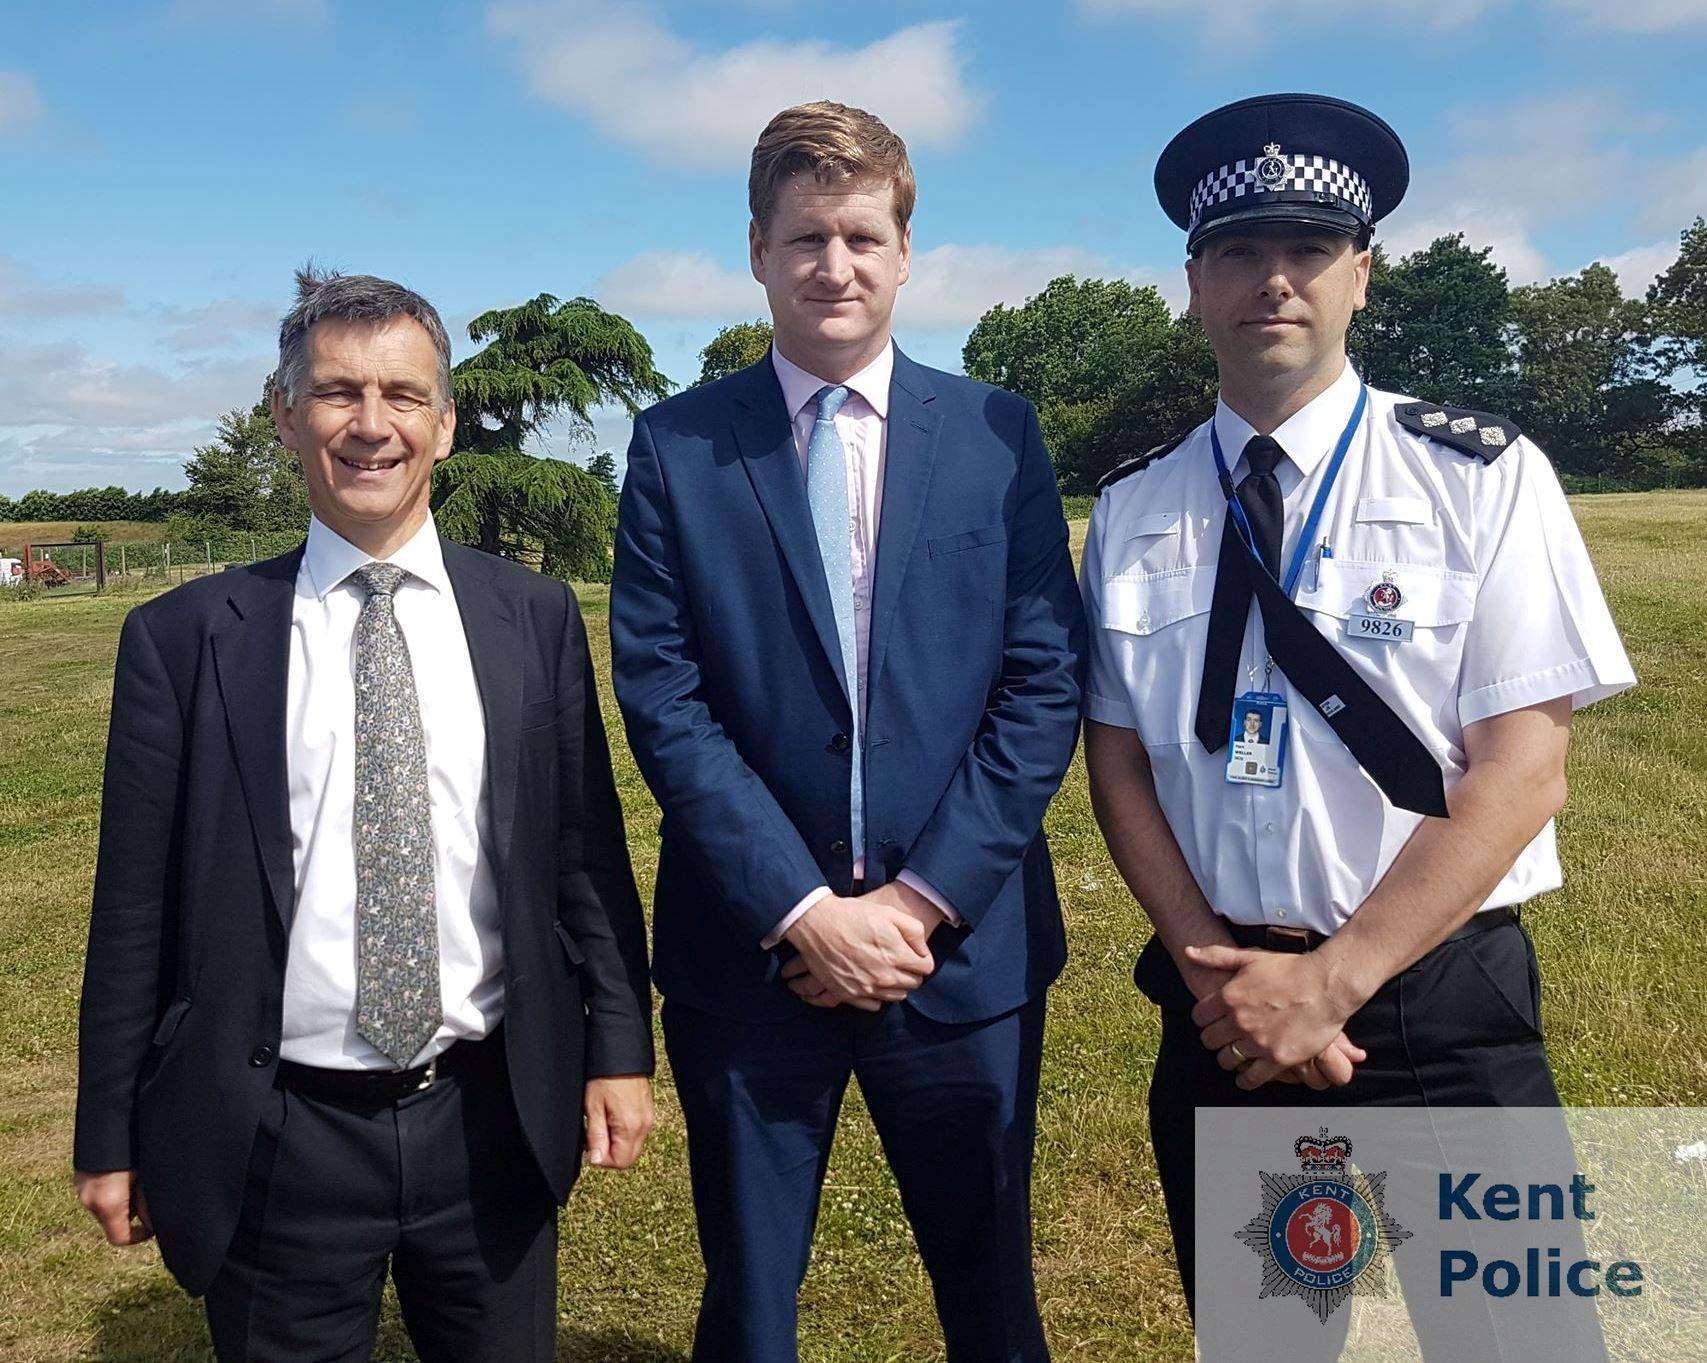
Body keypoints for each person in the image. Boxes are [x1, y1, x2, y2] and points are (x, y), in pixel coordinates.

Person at [1079, 93, 1635, 1333]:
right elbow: (1116, 767)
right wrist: (1214, 973)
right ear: (1192, 281)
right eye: (1239, 251)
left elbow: (1524, 771)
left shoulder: (1482, 477)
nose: (1273, 280)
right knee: (1270, 1340)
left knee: (1521, 1342)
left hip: (1438, 1010)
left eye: (1309, 249)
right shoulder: (1132, 509)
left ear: (1362, 276)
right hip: (1225, 1008)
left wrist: (1336, 981)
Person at [73, 269, 656, 1361]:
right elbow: (131, 914)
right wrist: (109, 1133)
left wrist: (619, 1048)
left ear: (442, 423)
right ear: (285, 417)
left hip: (489, 1115)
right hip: (277, 1135)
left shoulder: (530, 617)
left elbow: (583, 853)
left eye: (402, 394)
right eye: (339, 393)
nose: (371, 425)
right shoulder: (185, 637)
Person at [611, 101, 1085, 1362]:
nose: (837, 266)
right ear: (758, 250)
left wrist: (921, 902)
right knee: (752, 1311)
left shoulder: (997, 435)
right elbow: (664, 696)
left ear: (907, 252)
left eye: (864, 237)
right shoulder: (676, 446)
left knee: (992, 1295)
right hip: (754, 954)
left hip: (962, 955)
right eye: (807, 236)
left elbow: (1041, 683)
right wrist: (804, 909)